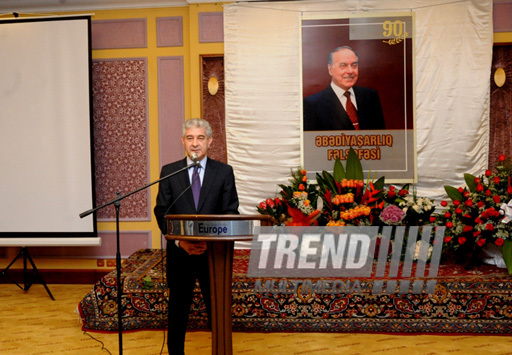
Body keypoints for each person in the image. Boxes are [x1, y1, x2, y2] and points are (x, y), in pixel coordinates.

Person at [154, 118, 239, 355]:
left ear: (210, 141)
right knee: (178, 310)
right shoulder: (170, 172)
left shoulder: (224, 172)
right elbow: (162, 211)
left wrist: (208, 240)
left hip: (214, 256)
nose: (195, 143)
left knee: (217, 310)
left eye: (200, 138)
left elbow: (231, 211)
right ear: (183, 141)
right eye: (190, 138)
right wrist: (182, 242)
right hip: (180, 254)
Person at [303, 46, 386, 131]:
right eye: (343, 66)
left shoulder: (370, 96)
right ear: (330, 69)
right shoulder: (312, 104)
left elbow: (381, 137)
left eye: (354, 65)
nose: (350, 71)